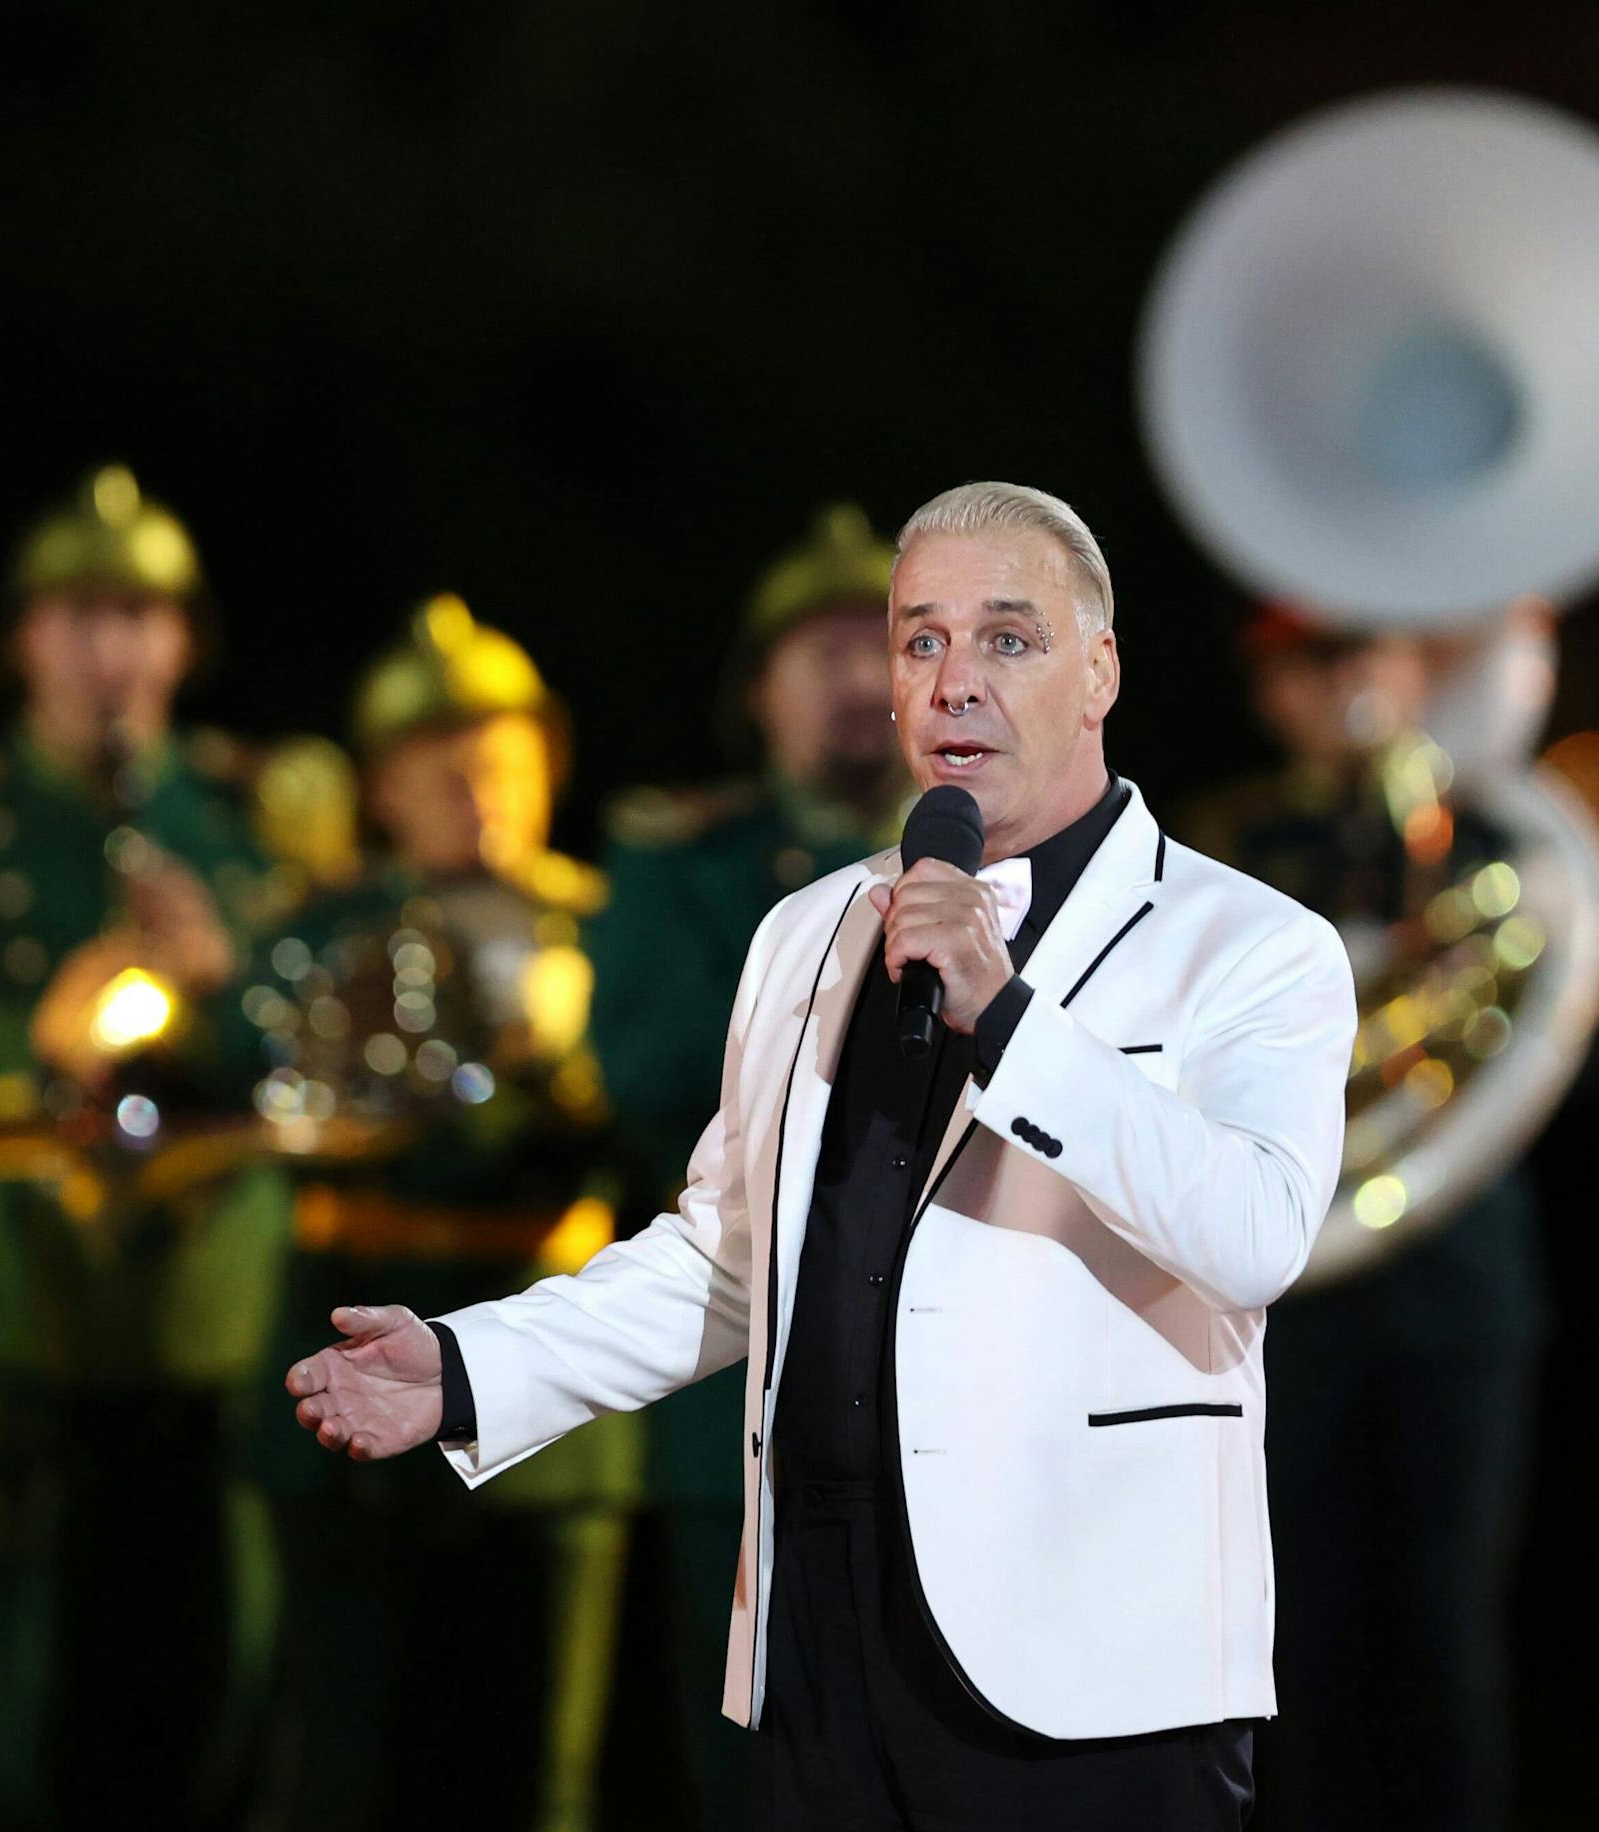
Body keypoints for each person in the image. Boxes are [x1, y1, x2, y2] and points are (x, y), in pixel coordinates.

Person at [284, 481, 1356, 1831]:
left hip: (1092, 1665)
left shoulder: (1248, 943)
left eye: (1008, 640)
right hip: (822, 1638)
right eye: (922, 641)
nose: (955, 681)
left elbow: (1256, 1232)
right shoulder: (809, 933)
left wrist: (1007, 1019)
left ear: (1101, 672)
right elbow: (731, 1258)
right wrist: (466, 1366)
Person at [0, 467, 354, 1830]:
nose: (110, 651)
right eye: (77, 616)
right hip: (18, 1304)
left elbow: (339, 1061)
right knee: (17, 1677)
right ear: (22, 640)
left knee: (226, 1663)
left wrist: (231, 978)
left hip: (218, 1318)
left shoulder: (259, 813)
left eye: (140, 617)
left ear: (185, 642)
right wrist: (30, 1041)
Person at [254, 595, 639, 1832]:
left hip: (550, 1366)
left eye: (504, 760)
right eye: (442, 765)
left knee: (539, 1761)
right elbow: (249, 1069)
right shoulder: (326, 930)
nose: (478, 789)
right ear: (382, 786)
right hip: (356, 1346)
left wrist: (577, 1070)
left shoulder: (606, 926)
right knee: (346, 1748)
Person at [1183, 606, 1551, 1832]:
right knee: (1293, 1629)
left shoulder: (1503, 842)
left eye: (1367, 650)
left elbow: (1550, 1056)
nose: (1345, 681)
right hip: (1279, 1297)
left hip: (1457, 1284)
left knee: (1445, 1622)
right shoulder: (1221, 850)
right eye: (1309, 660)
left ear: (1415, 662)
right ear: (1266, 688)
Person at [587, 502, 910, 1825]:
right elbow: (644, 1072)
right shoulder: (683, 865)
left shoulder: (1024, 857)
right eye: (818, 654)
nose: (856, 680)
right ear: (758, 695)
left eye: (883, 649)